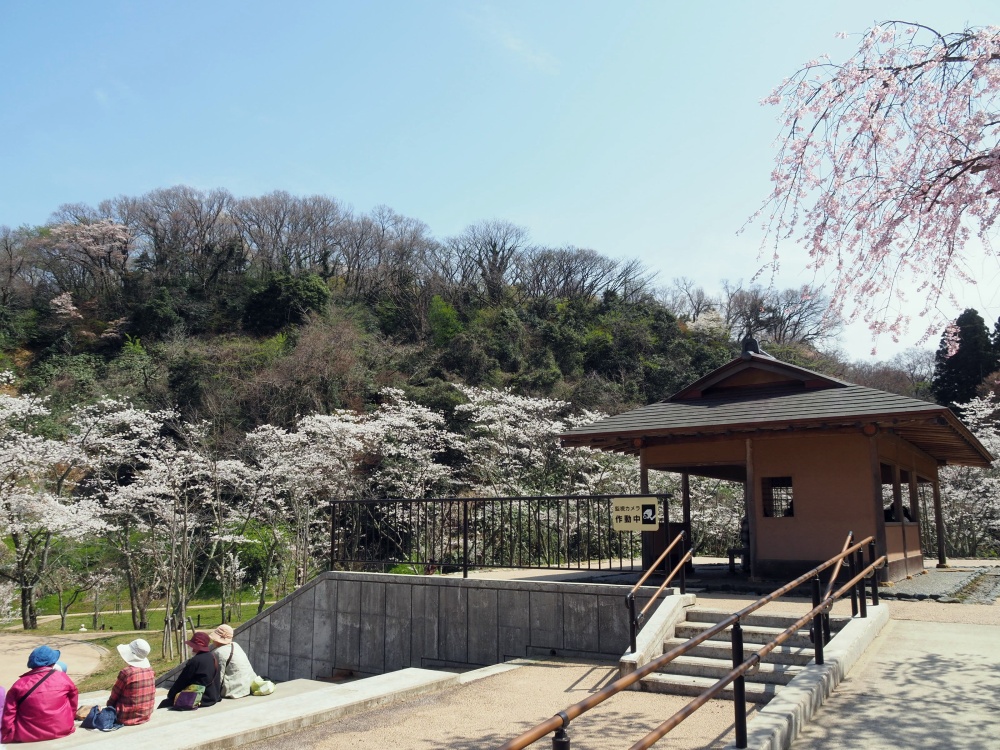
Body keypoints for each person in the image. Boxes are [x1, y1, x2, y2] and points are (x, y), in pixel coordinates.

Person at [1, 645, 78, 743]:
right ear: (53, 663)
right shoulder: (63, 678)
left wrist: (6, 735)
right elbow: (73, 704)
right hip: (62, 729)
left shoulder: (19, 684)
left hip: (26, 735)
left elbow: (9, 714)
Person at [164, 632, 221, 709]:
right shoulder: (213, 657)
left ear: (196, 647)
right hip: (213, 696)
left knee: (165, 703)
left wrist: (171, 695)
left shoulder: (195, 661)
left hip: (200, 698)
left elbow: (182, 681)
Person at [107, 638, 156, 725]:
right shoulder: (150, 671)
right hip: (145, 715)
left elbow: (114, 696)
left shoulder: (127, 673)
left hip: (125, 717)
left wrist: (109, 708)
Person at [209, 624, 256, 699]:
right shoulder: (235, 645)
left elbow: (219, 676)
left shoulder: (218, 652)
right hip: (248, 685)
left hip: (234, 690)